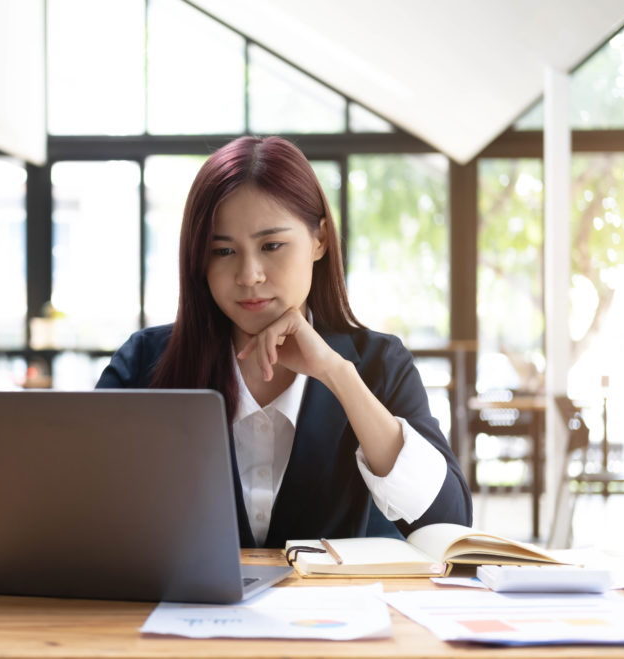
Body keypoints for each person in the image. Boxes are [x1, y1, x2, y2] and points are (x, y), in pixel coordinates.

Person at [96, 136, 472, 548]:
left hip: (339, 612)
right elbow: (80, 508)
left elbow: (448, 522)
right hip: (179, 610)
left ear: (320, 241)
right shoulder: (146, 363)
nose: (249, 275)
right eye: (223, 251)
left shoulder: (379, 366)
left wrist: (337, 375)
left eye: (271, 245)